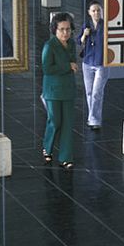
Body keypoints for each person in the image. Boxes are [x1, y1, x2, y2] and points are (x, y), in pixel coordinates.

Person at [42, 12, 78, 170]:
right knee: (55, 121)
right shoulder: (49, 46)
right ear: (54, 30)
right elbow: (47, 69)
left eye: (68, 29)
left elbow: (73, 61)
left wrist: (71, 65)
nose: (65, 33)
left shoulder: (72, 44)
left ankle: (65, 157)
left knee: (68, 124)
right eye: (62, 29)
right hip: (53, 90)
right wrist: (68, 67)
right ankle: (47, 147)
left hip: (68, 89)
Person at [80, 0, 108, 130]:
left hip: (102, 62)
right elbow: (79, 41)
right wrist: (84, 35)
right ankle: (93, 118)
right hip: (87, 62)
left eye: (98, 10)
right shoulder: (87, 25)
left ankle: (94, 120)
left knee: (97, 92)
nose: (96, 12)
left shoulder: (106, 25)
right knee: (89, 92)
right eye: (94, 10)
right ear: (89, 13)